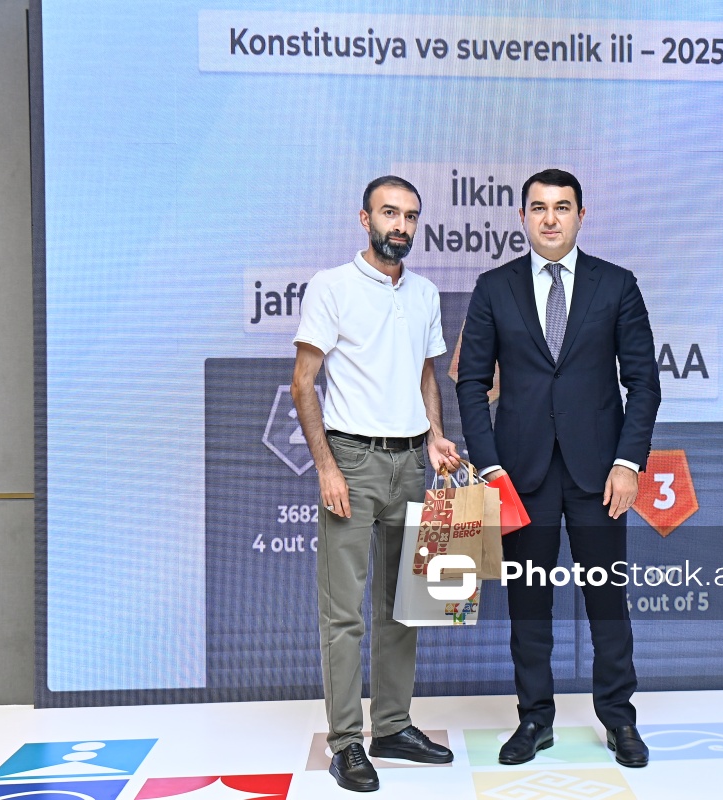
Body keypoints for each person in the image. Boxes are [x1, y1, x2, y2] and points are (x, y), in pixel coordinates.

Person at [455, 169, 661, 768]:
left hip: (600, 475)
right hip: (519, 477)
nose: (550, 218)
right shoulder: (493, 287)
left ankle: (619, 720)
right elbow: (471, 383)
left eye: (562, 207)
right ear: (522, 216)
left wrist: (628, 462)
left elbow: (643, 382)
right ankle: (534, 719)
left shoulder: (616, 284)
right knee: (528, 604)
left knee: (607, 601)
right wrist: (489, 469)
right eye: (539, 208)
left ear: (581, 215)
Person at [291, 176, 461, 792]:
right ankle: (345, 742)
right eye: (390, 213)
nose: (401, 226)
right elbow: (303, 383)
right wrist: (326, 467)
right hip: (353, 461)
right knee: (344, 614)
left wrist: (435, 435)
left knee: (405, 607)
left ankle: (391, 726)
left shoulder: (425, 293)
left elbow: (425, 376)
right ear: (365, 219)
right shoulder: (331, 286)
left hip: (412, 462)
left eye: (411, 216)